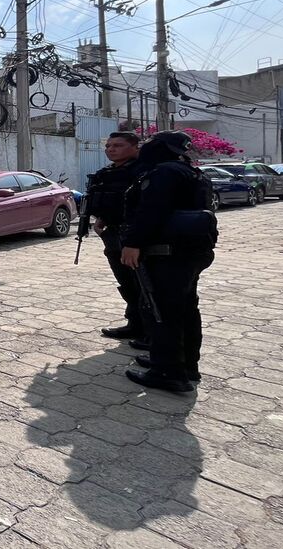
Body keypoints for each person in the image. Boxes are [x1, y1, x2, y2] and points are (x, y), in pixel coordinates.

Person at [120, 131, 217, 394]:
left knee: (163, 311)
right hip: (191, 251)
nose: (145, 149)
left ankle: (168, 372)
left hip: (168, 253)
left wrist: (133, 243)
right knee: (185, 309)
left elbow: (152, 211)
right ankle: (184, 365)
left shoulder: (164, 173)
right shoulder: (191, 172)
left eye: (149, 144)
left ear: (161, 148)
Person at [85, 132, 145, 342]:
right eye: (108, 145)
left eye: (118, 145)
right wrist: (101, 218)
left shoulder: (143, 171)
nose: (111, 149)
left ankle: (151, 331)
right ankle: (134, 324)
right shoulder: (107, 172)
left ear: (136, 147)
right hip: (112, 233)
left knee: (143, 284)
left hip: (135, 235)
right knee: (126, 282)